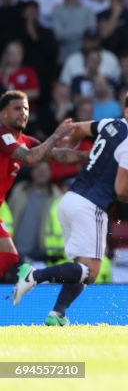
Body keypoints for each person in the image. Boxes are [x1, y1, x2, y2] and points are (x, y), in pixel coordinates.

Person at [12, 90, 128, 325]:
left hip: (70, 200)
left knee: (81, 269)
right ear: (127, 111)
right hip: (92, 206)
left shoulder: (111, 124)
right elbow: (121, 190)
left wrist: (75, 145)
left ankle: (57, 314)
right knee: (91, 272)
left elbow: (77, 128)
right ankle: (34, 276)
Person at [0, 90, 75, 279]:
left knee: (9, 256)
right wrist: (56, 135)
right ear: (3, 114)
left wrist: (93, 156)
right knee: (9, 255)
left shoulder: (24, 141)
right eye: (17, 108)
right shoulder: (2, 135)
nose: (23, 112)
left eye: (25, 108)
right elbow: (32, 157)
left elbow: (55, 154)